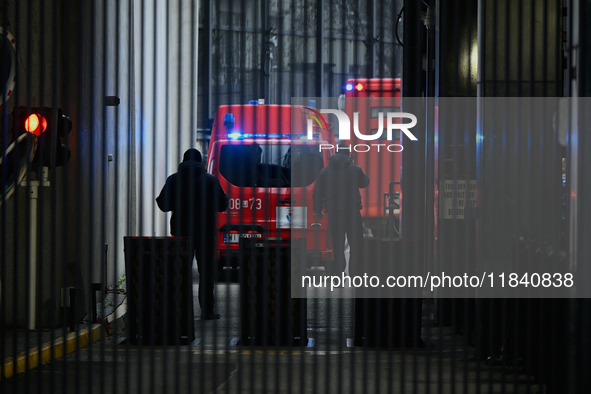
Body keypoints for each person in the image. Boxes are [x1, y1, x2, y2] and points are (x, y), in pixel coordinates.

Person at [156, 148, 229, 320]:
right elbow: (223, 204)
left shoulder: (174, 180)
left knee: (180, 272)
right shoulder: (210, 180)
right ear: (200, 161)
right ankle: (207, 311)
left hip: (181, 233)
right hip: (205, 232)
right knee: (206, 273)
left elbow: (163, 204)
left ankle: (180, 311)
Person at [313, 144, 370, 276]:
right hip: (352, 213)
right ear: (349, 154)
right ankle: (356, 275)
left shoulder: (325, 171)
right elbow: (365, 183)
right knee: (356, 245)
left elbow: (317, 192)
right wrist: (354, 164)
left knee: (338, 246)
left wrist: (318, 210)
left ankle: (338, 275)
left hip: (334, 214)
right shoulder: (355, 169)